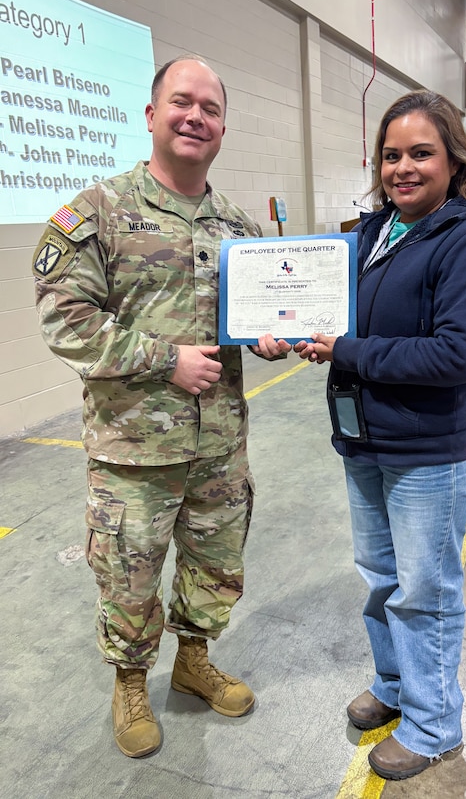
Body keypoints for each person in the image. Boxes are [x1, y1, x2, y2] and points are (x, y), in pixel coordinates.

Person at [32, 55, 290, 758]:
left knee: (214, 565)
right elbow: (65, 321)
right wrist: (164, 359)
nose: (194, 116)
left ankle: (193, 660)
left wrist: (269, 339)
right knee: (128, 573)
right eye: (182, 102)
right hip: (134, 451)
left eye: (209, 108)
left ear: (222, 128)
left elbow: (255, 316)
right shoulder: (98, 212)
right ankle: (130, 682)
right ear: (151, 116)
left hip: (218, 445)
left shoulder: (235, 225)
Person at [295, 90, 466, 780]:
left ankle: (432, 725)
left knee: (425, 592)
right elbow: (322, 311)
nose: (402, 168)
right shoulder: (367, 234)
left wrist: (347, 350)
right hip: (364, 441)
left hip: (426, 454)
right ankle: (396, 687)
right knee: (381, 580)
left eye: (420, 153)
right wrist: (288, 331)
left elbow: (457, 355)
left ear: (452, 160)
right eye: (391, 155)